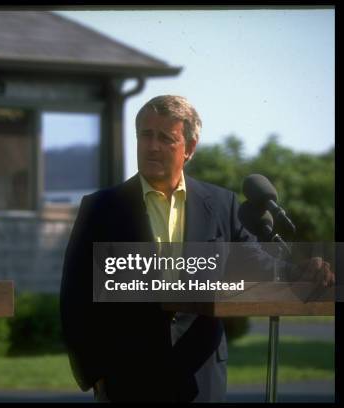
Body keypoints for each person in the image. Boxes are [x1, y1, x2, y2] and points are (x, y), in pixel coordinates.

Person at [59, 95, 332, 402]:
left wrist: (298, 271)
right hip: (127, 379)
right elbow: (75, 296)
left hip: (201, 378)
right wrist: (95, 375)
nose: (153, 146)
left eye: (166, 138)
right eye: (146, 135)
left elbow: (254, 261)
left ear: (189, 148)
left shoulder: (221, 205)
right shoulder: (100, 208)